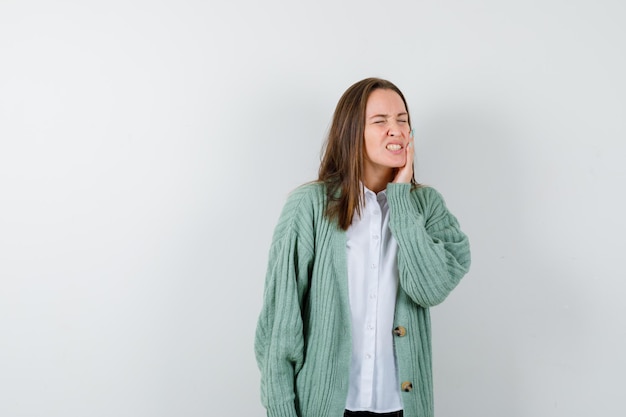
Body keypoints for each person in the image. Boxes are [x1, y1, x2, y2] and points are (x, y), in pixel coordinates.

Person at [254, 77, 471, 417]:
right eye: (380, 121)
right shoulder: (309, 206)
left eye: (402, 119)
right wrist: (281, 408)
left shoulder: (426, 206)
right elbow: (281, 322)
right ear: (352, 132)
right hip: (325, 407)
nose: (395, 129)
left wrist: (399, 200)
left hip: (403, 407)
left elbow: (430, 289)